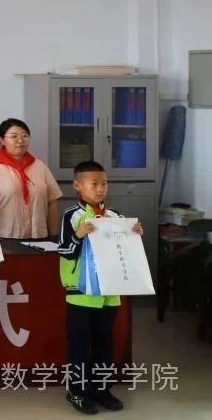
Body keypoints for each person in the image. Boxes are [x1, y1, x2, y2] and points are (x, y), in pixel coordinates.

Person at [58, 161, 142, 415]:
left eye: (104, 183)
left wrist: (134, 234)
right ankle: (78, 391)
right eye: (93, 184)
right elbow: (64, 250)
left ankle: (101, 390)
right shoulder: (72, 215)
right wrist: (78, 235)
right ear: (77, 185)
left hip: (108, 293)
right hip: (80, 293)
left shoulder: (115, 217)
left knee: (105, 343)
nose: (100, 189)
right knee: (80, 345)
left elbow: (125, 252)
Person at [0, 118, 63, 239]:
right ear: (2, 140)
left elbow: (52, 202)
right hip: (5, 238)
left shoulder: (39, 166)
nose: (20, 140)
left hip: (39, 238)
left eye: (24, 136)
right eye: (14, 136)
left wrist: (53, 236)